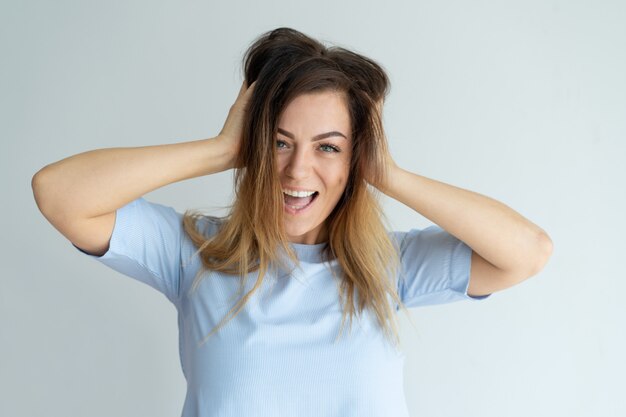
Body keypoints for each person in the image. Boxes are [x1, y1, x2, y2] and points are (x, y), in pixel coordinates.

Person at [32, 27, 552, 417]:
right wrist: (220, 149)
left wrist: (387, 173)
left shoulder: (388, 267)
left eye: (328, 147)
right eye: (280, 142)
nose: (297, 170)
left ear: (355, 161)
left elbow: (528, 251)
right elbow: (58, 194)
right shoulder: (194, 254)